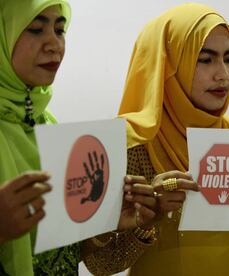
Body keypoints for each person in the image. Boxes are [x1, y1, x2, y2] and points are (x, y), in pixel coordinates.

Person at [82, 3, 229, 275]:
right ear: (168, 64)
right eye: (205, 59)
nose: (224, 74)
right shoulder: (129, 145)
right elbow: (100, 263)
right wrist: (149, 221)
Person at [0, 1, 157, 275]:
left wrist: (104, 222)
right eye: (36, 30)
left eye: (60, 31)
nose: (54, 44)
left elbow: (60, 260)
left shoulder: (48, 127)